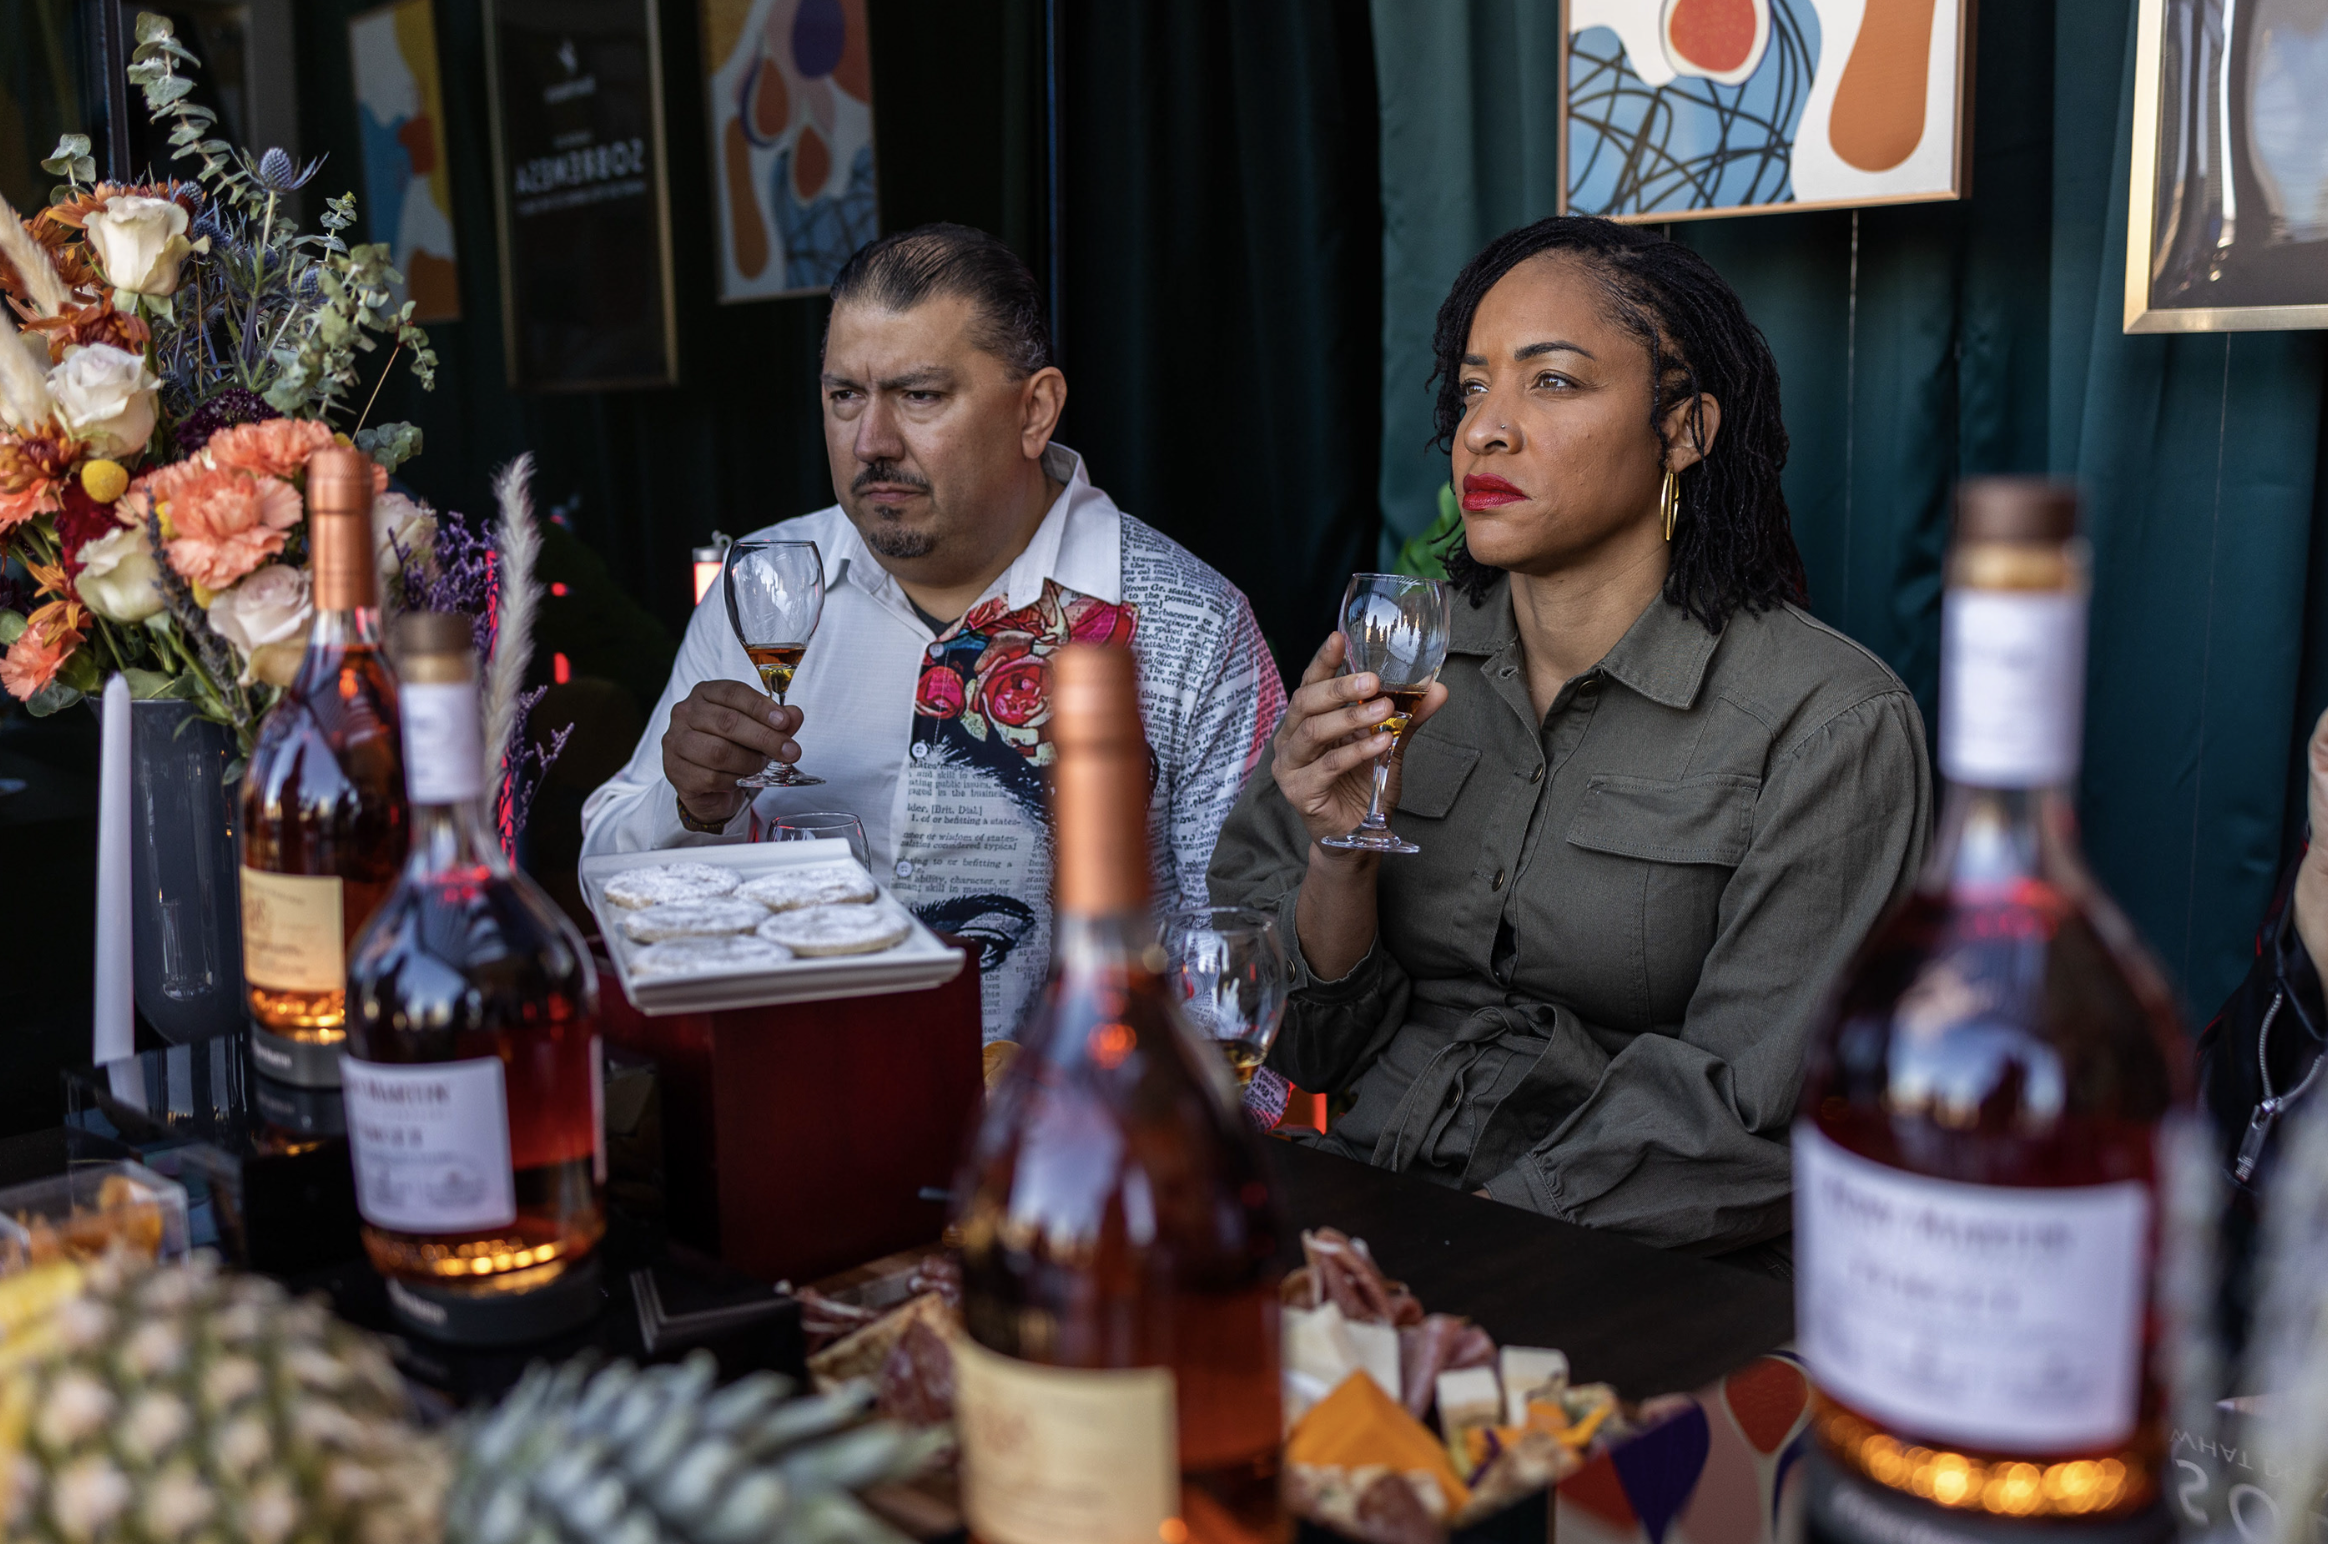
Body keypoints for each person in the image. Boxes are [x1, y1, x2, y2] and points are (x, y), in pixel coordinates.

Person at [1208, 216, 1931, 1265]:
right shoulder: (1395, 661)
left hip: (1631, 1263)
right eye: (1472, 388)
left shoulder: (1829, 722)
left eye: (1552, 382)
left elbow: (1745, 1111)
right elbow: (1297, 1050)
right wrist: (1339, 853)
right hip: (1357, 1195)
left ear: (1683, 429)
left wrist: (1459, 1243)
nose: (1484, 431)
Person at [584, 224, 1284, 1039]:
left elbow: (1241, 970)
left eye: (919, 396)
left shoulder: (1190, 628)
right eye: (845, 396)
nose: (871, 443)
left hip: (1067, 1109)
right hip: (799, 1094)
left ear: (1035, 411)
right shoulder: (765, 586)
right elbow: (609, 887)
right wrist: (691, 806)